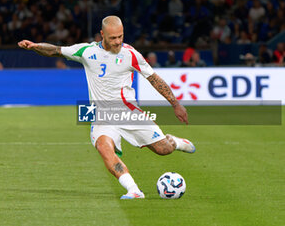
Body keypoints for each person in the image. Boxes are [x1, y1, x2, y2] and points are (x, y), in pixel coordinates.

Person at [18, 16, 196, 199]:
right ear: (102, 35)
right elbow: (56, 50)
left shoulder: (131, 54)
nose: (118, 41)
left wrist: (175, 104)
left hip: (128, 112)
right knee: (104, 148)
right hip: (100, 115)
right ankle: (133, 190)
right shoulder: (87, 52)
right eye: (113, 38)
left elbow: (154, 78)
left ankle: (176, 142)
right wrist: (35, 46)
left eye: (120, 36)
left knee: (163, 149)